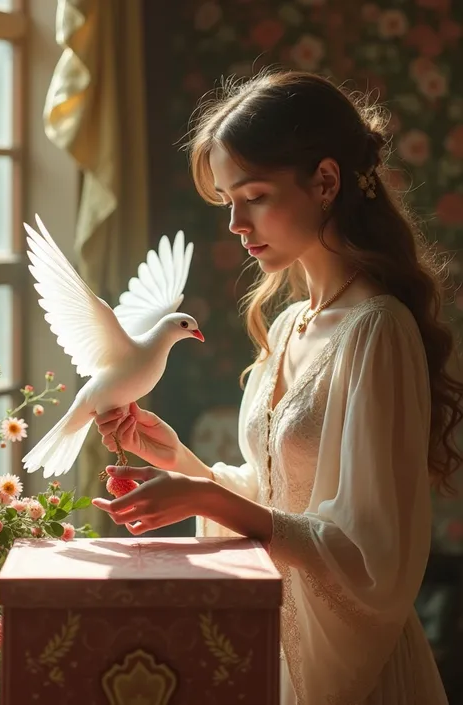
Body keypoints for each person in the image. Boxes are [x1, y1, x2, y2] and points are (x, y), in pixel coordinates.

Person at [92, 69, 463, 704]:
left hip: (353, 671)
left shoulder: (377, 330)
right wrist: (180, 462)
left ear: (325, 181)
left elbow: (370, 560)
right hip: (272, 641)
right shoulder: (292, 323)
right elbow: (276, 501)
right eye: (229, 201)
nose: (236, 222)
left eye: (255, 194)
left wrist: (203, 500)